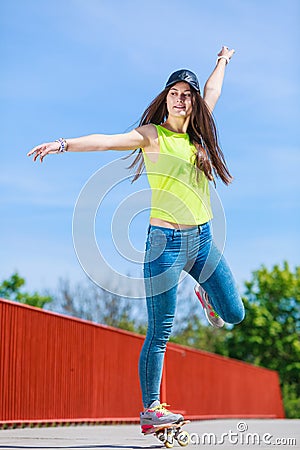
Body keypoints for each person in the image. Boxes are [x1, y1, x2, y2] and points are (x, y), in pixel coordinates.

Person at [27, 45, 245, 432]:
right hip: (165, 245)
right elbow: (105, 140)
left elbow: (214, 90)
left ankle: (208, 298)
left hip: (203, 240)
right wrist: (62, 144)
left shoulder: (200, 129)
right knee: (160, 329)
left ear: (193, 102)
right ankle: (151, 409)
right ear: (165, 100)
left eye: (187, 95)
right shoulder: (151, 136)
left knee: (234, 314)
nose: (181, 100)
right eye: (174, 94)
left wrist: (222, 61)